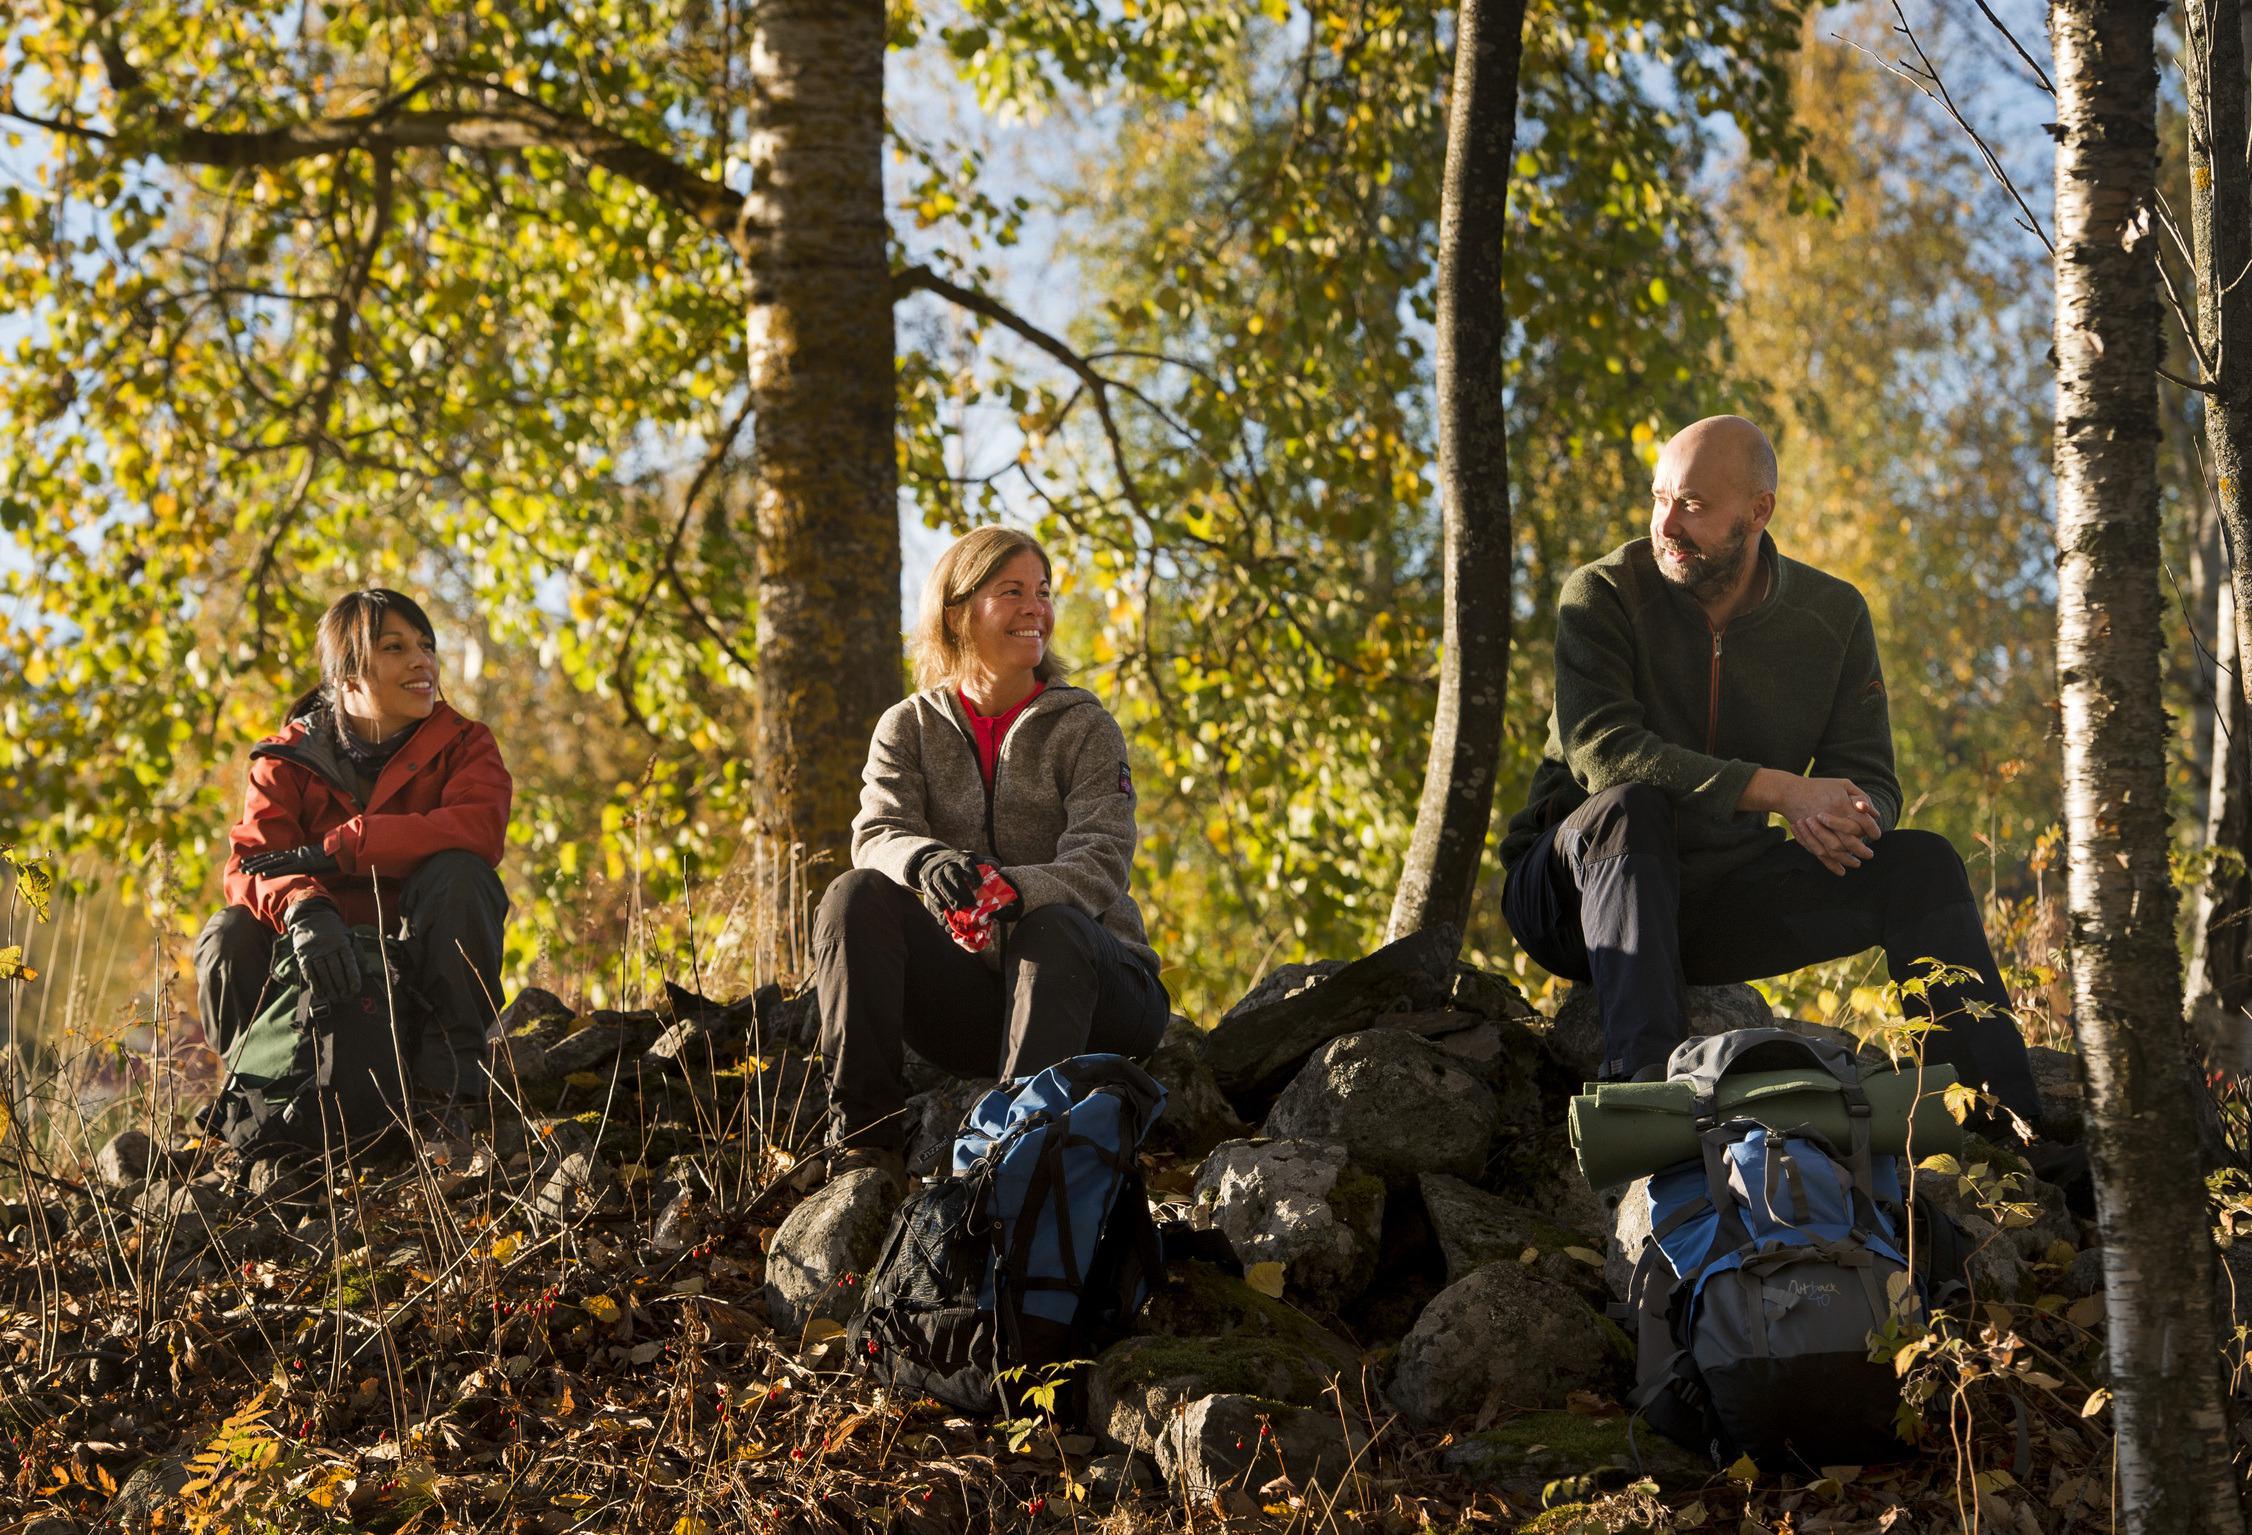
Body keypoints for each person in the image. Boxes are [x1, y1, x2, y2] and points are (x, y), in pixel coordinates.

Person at [1499, 415, 2043, 1127]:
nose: (1667, 522)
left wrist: (1847, 816)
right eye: (1659, 497)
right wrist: (1784, 791)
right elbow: (1603, 752)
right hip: (1580, 892)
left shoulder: (1833, 616)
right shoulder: (1602, 593)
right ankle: (1651, 1115)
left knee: (1924, 864)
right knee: (1630, 804)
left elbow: (1869, 773)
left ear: (1758, 511)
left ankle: (2002, 1126)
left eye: (1691, 505)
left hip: (1721, 901)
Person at [813, 526, 1170, 1189]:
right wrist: (926, 863)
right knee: (852, 895)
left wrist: (1011, 889)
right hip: (979, 1010)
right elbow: (879, 830)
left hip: (1100, 996)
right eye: (1012, 592)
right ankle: (864, 1149)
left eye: (1042, 591)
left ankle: (1010, 1164)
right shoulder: (907, 727)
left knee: (1054, 924)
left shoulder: (1084, 726)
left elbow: (1101, 858)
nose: (1036, 608)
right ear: (956, 612)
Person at [196, 588, 512, 1106]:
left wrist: (347, 846)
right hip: (312, 979)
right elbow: (248, 867)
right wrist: (304, 904)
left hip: (412, 979)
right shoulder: (286, 760)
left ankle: (450, 1086)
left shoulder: (465, 743)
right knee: (227, 932)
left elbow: (480, 828)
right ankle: (257, 1094)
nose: (422, 660)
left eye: (426, 645)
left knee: (463, 875)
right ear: (346, 675)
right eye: (395, 647)